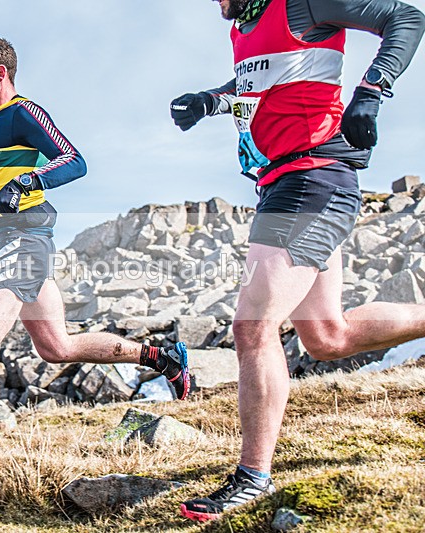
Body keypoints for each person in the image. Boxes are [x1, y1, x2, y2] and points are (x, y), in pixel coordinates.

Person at [169, 0, 425, 522]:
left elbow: (406, 17)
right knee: (328, 338)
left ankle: (252, 478)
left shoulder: (302, 3)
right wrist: (209, 102)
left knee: (252, 326)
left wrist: (371, 93)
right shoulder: (244, 28)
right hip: (280, 185)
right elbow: (260, 93)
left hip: (314, 179)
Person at [0, 35, 190, 456]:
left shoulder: (22, 112)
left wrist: (28, 181)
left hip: (24, 241)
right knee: (57, 348)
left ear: (0, 73)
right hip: (6, 241)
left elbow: (74, 161)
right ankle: (162, 359)